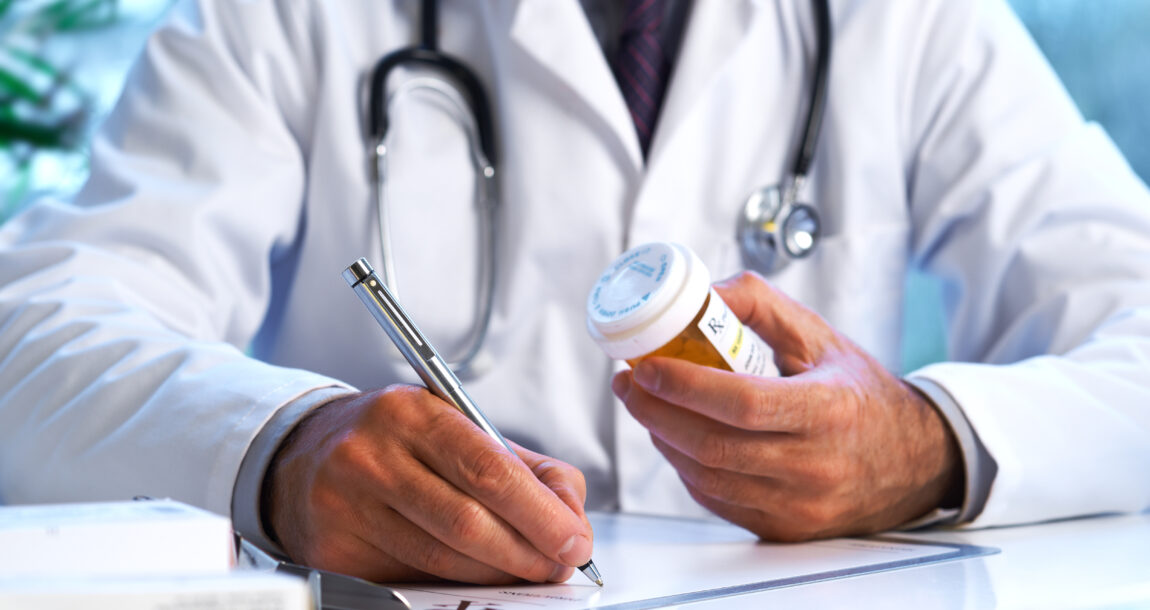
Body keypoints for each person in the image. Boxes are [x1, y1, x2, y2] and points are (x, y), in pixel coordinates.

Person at [2, 0, 1150, 586]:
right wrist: (281, 449)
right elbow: (34, 335)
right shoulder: (282, 16)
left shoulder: (906, 19)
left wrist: (928, 445)